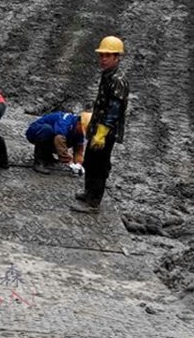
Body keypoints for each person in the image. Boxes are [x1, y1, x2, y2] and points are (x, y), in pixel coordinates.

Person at [71, 36, 129, 214]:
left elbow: (114, 108)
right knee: (90, 161)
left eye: (108, 56)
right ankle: (89, 193)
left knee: (99, 165)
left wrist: (102, 132)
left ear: (117, 57)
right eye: (102, 55)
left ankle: (93, 202)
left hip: (106, 131)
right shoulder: (107, 75)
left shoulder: (118, 80)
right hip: (97, 127)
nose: (103, 59)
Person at [26, 111, 91, 175]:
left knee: (67, 139)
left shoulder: (78, 130)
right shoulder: (65, 122)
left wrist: (78, 164)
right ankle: (39, 161)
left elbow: (78, 149)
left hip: (52, 136)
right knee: (47, 131)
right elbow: (59, 140)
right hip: (35, 132)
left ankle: (48, 157)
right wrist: (68, 162)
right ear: (79, 123)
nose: (83, 132)